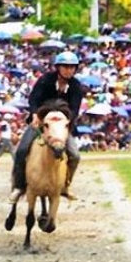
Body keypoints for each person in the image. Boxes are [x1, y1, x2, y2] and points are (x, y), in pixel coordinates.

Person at [8, 51, 84, 203]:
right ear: (58, 67)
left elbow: (75, 109)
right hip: (40, 123)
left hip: (61, 126)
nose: (69, 70)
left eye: (72, 67)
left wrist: (67, 123)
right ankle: (19, 186)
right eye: (65, 66)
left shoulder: (76, 86)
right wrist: (35, 114)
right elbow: (33, 99)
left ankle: (65, 186)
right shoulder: (45, 80)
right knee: (21, 151)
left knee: (75, 155)